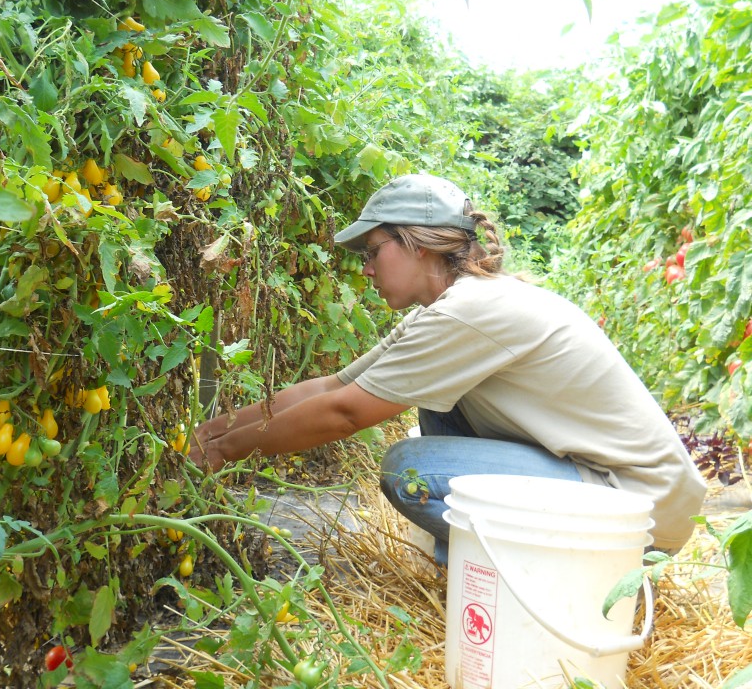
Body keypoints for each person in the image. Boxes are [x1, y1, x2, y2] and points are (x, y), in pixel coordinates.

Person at [189, 173, 707, 565]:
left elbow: (345, 413)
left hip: (636, 509)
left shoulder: (468, 313)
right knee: (439, 409)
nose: (366, 268)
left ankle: (510, 580)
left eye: (373, 250)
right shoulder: (450, 310)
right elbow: (335, 385)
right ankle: (474, 575)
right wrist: (210, 433)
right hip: (612, 490)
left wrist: (219, 454)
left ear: (418, 241)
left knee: (409, 468)